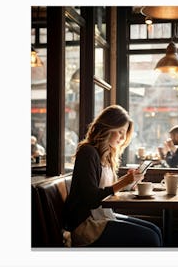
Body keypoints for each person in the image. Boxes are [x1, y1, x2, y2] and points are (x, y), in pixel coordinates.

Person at [63, 105, 162, 247]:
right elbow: (91, 198)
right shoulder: (87, 152)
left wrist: (130, 182)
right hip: (86, 225)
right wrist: (123, 183)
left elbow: (107, 190)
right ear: (107, 127)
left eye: (125, 133)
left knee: (155, 231)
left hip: (102, 216)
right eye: (120, 131)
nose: (123, 138)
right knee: (151, 238)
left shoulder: (107, 154)